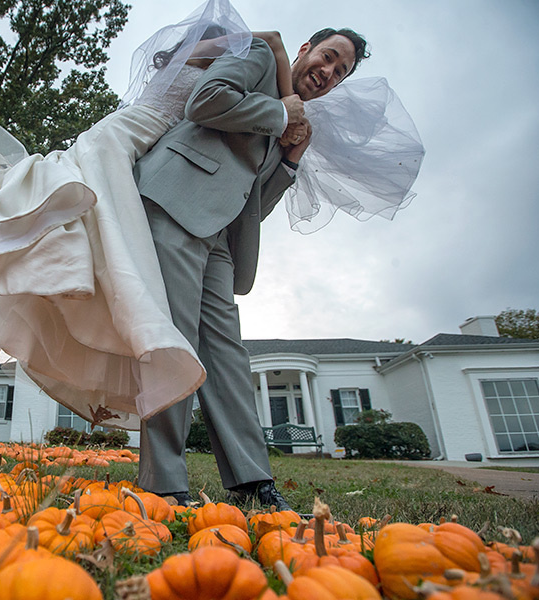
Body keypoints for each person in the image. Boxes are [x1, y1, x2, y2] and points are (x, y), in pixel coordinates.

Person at [0, 0, 256, 430]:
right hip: (118, 147)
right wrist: (270, 51)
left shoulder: (210, 67)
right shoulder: (208, 55)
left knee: (66, 252)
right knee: (93, 253)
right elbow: (238, 57)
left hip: (130, 153)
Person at [132, 28, 370, 508]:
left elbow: (251, 203)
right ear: (306, 50)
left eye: (339, 71)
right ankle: (162, 483)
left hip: (220, 235)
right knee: (176, 343)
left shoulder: (296, 121)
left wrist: (290, 161)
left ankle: (252, 480)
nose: (328, 72)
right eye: (328, 57)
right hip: (174, 202)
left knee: (228, 355)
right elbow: (205, 100)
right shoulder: (260, 57)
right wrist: (279, 112)